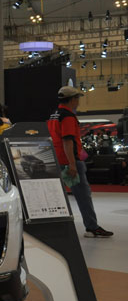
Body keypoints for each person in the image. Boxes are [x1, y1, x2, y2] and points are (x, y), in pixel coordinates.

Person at [47, 86, 114, 238]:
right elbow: (67, 141)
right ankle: (92, 227)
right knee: (83, 195)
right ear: (72, 99)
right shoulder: (68, 116)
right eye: (77, 98)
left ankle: (54, 228)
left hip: (56, 159)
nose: (78, 101)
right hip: (69, 161)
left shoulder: (54, 115)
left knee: (56, 195)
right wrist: (72, 164)